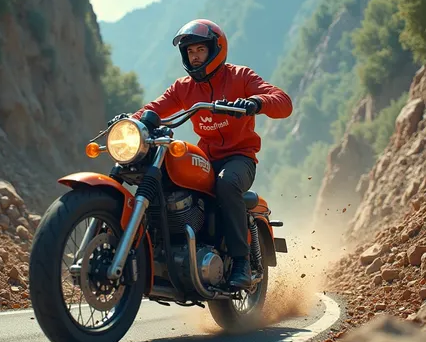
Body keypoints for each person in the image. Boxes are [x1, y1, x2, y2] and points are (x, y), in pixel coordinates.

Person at [108, 19, 293, 290]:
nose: (194, 56)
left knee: (226, 183)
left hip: (239, 158)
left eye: (200, 50)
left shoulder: (241, 77)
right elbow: (156, 108)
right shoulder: (184, 87)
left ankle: (241, 262)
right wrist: (132, 121)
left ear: (216, 49)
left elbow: (283, 102)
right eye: (190, 52)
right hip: (206, 158)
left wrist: (256, 102)